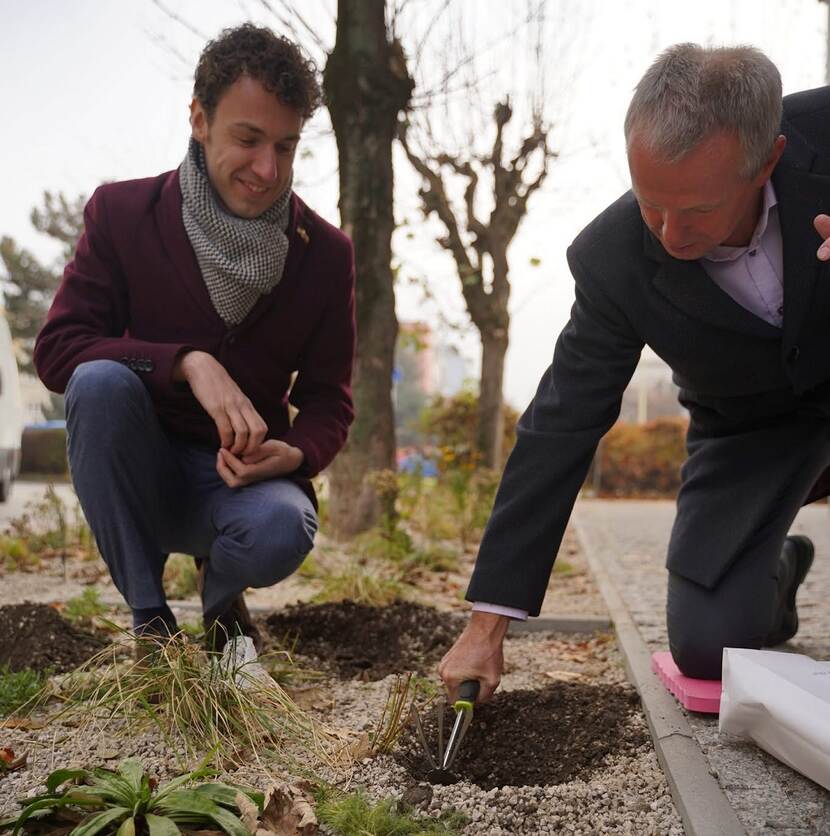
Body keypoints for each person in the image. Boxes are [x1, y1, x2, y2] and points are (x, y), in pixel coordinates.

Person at [439, 43, 830, 701]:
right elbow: (560, 425)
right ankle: (774, 566)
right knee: (709, 647)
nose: (670, 235)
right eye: (653, 204)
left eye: (697, 211)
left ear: (767, 160)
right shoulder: (611, 259)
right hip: (749, 433)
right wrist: (487, 622)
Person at [34, 24, 356, 655]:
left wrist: (292, 453)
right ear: (200, 119)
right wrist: (185, 363)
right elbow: (59, 350)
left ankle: (221, 601)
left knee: (285, 526)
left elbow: (329, 401)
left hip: (241, 487)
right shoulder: (121, 214)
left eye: (286, 147)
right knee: (98, 383)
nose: (267, 170)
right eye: (248, 139)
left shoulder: (327, 255)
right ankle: (152, 626)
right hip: (137, 469)